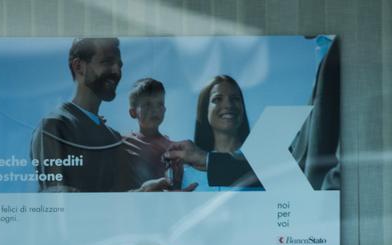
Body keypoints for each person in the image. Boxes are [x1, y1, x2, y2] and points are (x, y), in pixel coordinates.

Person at [30, 38, 172, 193]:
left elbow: (122, 200)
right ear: (79, 67)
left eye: (119, 65)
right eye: (107, 62)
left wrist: (149, 194)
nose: (117, 71)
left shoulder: (113, 138)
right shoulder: (55, 126)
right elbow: (58, 202)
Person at [164, 74, 261, 190]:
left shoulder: (261, 162)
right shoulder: (183, 174)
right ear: (204, 110)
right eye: (217, 99)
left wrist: (206, 160)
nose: (228, 105)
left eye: (235, 99)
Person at [121, 78, 185, 187]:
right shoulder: (123, 143)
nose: (155, 109)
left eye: (160, 104)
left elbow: (178, 185)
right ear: (133, 112)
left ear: (165, 109)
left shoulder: (174, 149)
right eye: (147, 105)